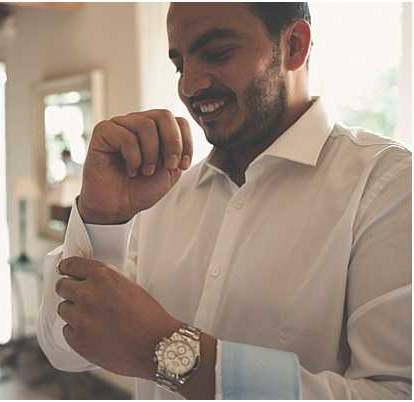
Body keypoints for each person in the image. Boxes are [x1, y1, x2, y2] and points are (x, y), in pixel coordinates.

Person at [37, 3, 411, 399]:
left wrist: (164, 351)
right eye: (180, 64)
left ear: (294, 46)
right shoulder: (159, 197)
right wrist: (101, 218)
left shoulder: (386, 185)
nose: (189, 86)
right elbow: (66, 350)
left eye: (217, 53)